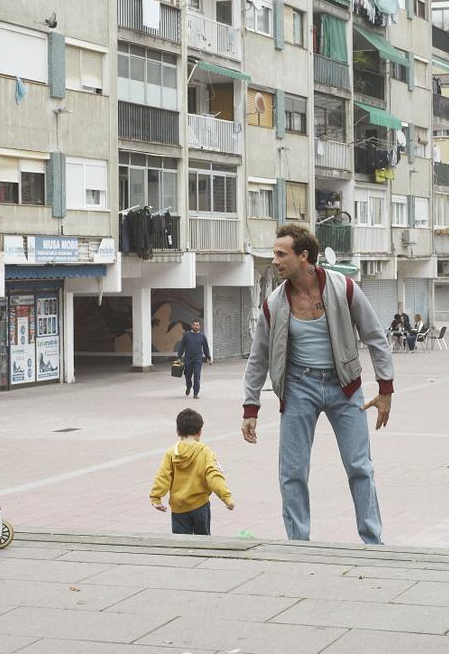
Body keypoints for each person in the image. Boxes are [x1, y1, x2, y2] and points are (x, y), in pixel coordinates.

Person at [240, 224, 394, 545]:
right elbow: (258, 358)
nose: (275, 260)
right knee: (292, 472)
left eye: (281, 254)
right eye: (274, 254)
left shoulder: (344, 289)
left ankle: (373, 541)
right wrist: (250, 407)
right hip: (299, 388)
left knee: (359, 467)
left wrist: (385, 390)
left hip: (345, 387)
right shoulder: (274, 303)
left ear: (304, 256)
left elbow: (376, 338)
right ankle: (299, 543)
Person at [150, 408, 234, 535]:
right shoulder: (205, 451)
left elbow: (163, 476)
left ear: (178, 431)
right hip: (200, 506)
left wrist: (156, 497)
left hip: (178, 508)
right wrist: (227, 498)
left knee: (181, 543)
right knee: (203, 542)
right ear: (200, 432)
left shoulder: (171, 453)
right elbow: (214, 475)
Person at [175, 319, 212, 398]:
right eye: (194, 325)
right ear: (192, 326)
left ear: (199, 326)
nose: (196, 326)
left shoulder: (202, 337)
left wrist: (208, 358)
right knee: (187, 375)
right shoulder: (187, 335)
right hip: (188, 359)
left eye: (197, 325)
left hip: (198, 359)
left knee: (197, 375)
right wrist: (179, 357)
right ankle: (188, 386)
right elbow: (182, 346)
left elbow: (205, 348)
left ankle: (196, 393)